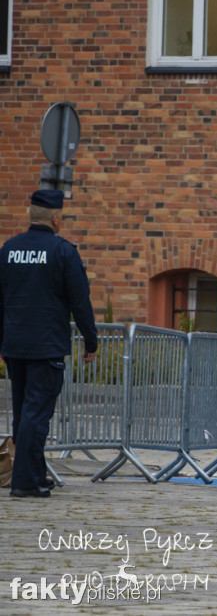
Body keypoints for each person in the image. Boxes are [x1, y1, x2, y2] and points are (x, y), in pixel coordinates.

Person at [1, 190, 98, 499]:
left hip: (15, 346)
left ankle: (35, 474)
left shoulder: (9, 249)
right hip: (47, 346)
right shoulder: (62, 252)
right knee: (36, 415)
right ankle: (26, 482)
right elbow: (80, 302)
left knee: (23, 413)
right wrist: (91, 341)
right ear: (56, 218)